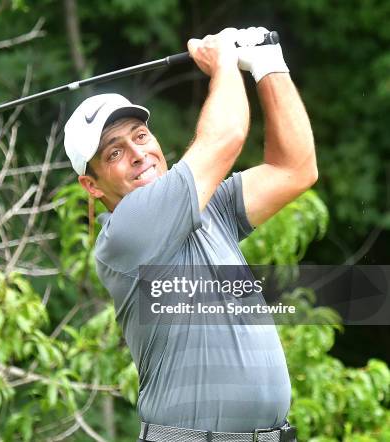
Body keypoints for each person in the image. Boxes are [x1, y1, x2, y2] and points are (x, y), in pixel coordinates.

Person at [63, 27, 316, 442]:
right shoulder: (128, 232)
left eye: (140, 136)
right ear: (92, 186)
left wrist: (269, 63)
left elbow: (296, 169)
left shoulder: (209, 207)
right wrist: (225, 61)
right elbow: (226, 136)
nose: (138, 154)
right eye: (114, 152)